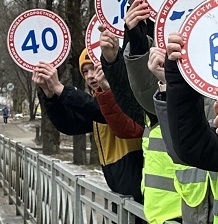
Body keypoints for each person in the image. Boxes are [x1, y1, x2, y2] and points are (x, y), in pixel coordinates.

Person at [30, 48, 144, 201]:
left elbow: (101, 111)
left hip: (139, 189)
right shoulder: (96, 100)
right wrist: (49, 95)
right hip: (119, 192)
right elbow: (70, 125)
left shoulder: (128, 95)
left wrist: (60, 89)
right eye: (85, 71)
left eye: (94, 68)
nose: (90, 76)